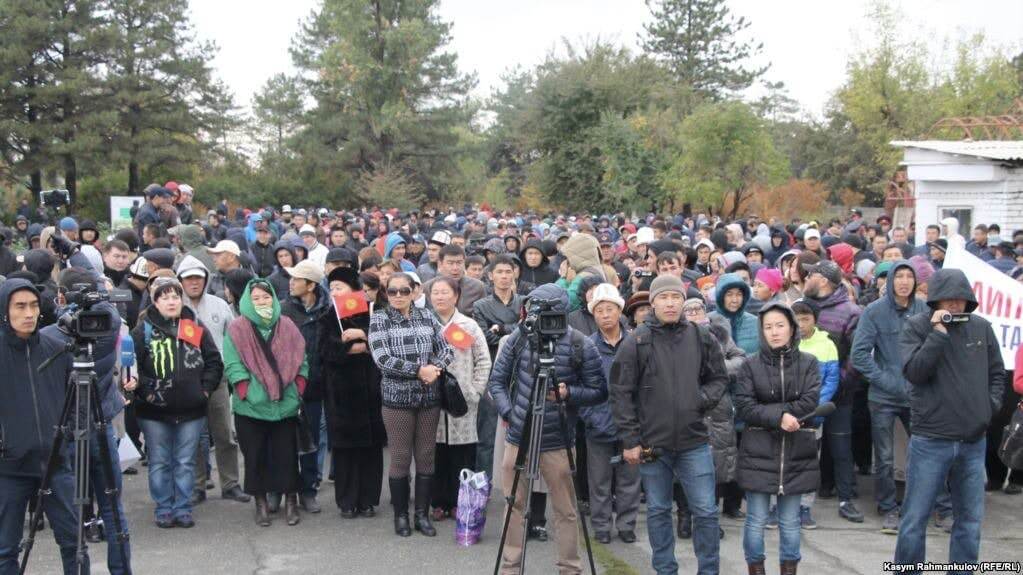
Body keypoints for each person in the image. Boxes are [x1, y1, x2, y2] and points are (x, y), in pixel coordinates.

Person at [610, 274, 728, 575]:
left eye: (676, 297)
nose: (671, 303)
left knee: (705, 512)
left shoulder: (702, 337)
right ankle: (665, 570)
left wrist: (700, 400)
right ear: (653, 303)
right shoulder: (636, 341)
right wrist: (630, 440)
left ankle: (709, 570)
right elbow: (621, 393)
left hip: (694, 441)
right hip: (652, 444)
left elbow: (719, 378)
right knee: (659, 511)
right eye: (664, 297)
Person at [488, 283, 607, 574]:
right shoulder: (519, 338)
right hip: (520, 436)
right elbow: (496, 382)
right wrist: (510, 413)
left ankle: (570, 568)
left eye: (541, 308)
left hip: (559, 439)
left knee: (566, 509)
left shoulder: (580, 343)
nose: (533, 314)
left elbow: (599, 391)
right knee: (512, 504)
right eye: (531, 307)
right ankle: (510, 567)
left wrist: (569, 394)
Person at [894, 268, 1005, 573]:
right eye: (948, 301)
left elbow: (997, 374)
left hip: (973, 441)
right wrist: (938, 334)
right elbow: (915, 372)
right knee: (915, 518)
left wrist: (988, 407)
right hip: (931, 438)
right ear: (935, 302)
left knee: (969, 520)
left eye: (960, 300)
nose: (955, 306)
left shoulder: (981, 328)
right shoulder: (916, 327)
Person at [42, 269, 132, 574]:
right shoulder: (108, 325)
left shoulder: (54, 335)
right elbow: (108, 312)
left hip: (70, 429)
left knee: (73, 514)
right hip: (100, 423)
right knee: (112, 507)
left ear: (61, 296)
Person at [852, 259, 950, 532]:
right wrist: (887, 381)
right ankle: (888, 508)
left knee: (929, 452)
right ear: (891, 280)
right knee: (883, 457)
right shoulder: (874, 312)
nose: (904, 281)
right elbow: (859, 355)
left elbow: (938, 348)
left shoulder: (925, 309)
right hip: (883, 397)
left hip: (920, 394)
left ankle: (941, 508)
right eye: (899, 276)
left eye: (909, 276)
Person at [0, 279, 89, 574]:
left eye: (34, 305)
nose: (29, 313)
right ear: (5, 310)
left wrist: (67, 436)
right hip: (9, 470)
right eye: (20, 306)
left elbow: (77, 401)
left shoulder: (56, 348)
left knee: (74, 545)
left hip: (56, 464)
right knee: (5, 550)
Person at [129, 277, 223, 528]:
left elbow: (214, 361)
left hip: (192, 409)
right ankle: (164, 507)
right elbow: (131, 367)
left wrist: (204, 390)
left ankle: (183, 507)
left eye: (175, 296)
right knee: (160, 461)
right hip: (154, 412)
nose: (171, 302)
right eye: (165, 297)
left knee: (185, 461)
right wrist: (147, 392)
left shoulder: (193, 325)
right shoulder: (143, 330)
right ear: (155, 301)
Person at [734, 303, 820, 575]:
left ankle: (789, 569)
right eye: (768, 327)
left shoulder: (808, 363)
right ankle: (756, 568)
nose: (774, 332)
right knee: (756, 518)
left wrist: (782, 414)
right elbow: (745, 406)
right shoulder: (750, 365)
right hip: (758, 451)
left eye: (780, 325)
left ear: (792, 328)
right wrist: (779, 417)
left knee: (790, 520)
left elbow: (810, 401)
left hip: (796, 451)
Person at [369, 273, 454, 538]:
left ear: (415, 292)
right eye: (392, 291)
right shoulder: (379, 319)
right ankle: (401, 516)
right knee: (401, 458)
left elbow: (447, 349)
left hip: (429, 398)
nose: (397, 296)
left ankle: (421, 515)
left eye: (403, 291)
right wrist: (419, 370)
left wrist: (434, 369)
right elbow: (382, 358)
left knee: (426, 457)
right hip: (397, 401)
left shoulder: (427, 316)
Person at [223, 279, 309, 527]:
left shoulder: (287, 325)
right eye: (256, 298)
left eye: (266, 296)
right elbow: (232, 362)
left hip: (285, 403)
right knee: (255, 455)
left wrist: (298, 386)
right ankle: (260, 502)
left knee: (287, 455)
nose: (262, 301)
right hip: (250, 406)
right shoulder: (238, 328)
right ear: (248, 301)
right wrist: (244, 389)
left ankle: (290, 500)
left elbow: (302, 357)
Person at [175, 256, 249, 506]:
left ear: (205, 279)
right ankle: (197, 485)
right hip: (185, 382)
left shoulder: (219, 305)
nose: (194, 283)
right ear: (181, 281)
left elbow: (233, 340)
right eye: (188, 278)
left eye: (198, 277)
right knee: (193, 437)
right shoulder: (174, 305)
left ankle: (230, 484)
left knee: (224, 434)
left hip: (217, 379)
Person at [317, 268, 385, 518]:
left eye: (340, 287)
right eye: (332, 287)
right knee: (345, 451)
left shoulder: (373, 313)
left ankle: (368, 500)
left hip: (372, 391)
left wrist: (364, 337)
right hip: (340, 394)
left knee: (370, 449)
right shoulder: (327, 317)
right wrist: (347, 347)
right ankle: (347, 501)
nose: (335, 292)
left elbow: (385, 343)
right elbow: (323, 351)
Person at [581, 284, 642, 544]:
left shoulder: (636, 343)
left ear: (620, 311)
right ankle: (602, 526)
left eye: (610, 309)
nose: (605, 315)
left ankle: (627, 524)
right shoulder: (586, 347)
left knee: (630, 480)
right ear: (593, 315)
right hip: (598, 424)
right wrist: (591, 417)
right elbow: (580, 390)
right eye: (600, 310)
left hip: (632, 425)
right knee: (599, 481)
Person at [427, 277, 491, 521]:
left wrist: (475, 390)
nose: (440, 297)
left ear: (456, 296)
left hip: (463, 400)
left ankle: (459, 501)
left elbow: (483, 360)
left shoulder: (469, 325)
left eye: (445, 292)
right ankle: (437, 502)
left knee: (463, 453)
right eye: (436, 293)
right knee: (435, 452)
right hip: (431, 398)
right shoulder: (425, 323)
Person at [471, 254, 524, 479]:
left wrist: (501, 329)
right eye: (499, 272)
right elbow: (483, 339)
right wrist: (514, 329)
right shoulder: (480, 305)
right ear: (490, 276)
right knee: (488, 431)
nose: (504, 276)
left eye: (508, 272)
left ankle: (517, 480)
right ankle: (483, 481)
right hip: (492, 369)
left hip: (521, 370)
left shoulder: (524, 302)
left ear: (514, 275)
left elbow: (528, 334)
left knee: (521, 429)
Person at [790, 299, 841, 530]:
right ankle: (775, 506)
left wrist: (814, 409)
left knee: (809, 462)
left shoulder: (827, 344)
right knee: (780, 459)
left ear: (815, 320)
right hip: (786, 414)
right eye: (796, 319)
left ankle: (804, 507)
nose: (800, 324)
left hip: (813, 416)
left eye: (805, 319)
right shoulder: (784, 341)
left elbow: (831, 380)